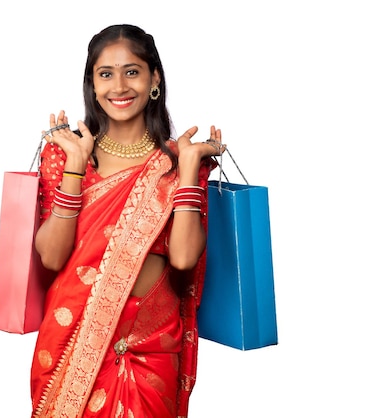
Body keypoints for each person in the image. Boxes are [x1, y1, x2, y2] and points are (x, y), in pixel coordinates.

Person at [30, 24, 226, 418]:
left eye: (132, 71)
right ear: (92, 84)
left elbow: (185, 258)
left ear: (154, 78)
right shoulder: (68, 153)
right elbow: (51, 257)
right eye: (106, 74)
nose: (119, 85)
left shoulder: (179, 160)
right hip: (73, 341)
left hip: (149, 348)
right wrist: (74, 166)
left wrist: (187, 168)